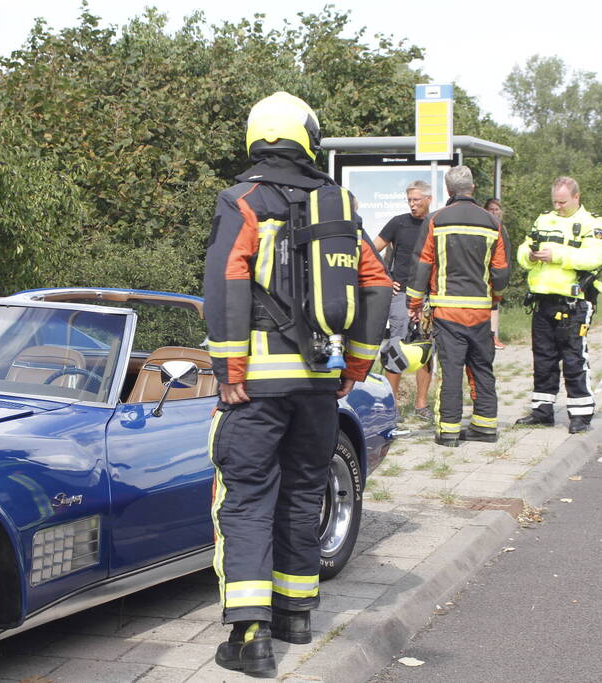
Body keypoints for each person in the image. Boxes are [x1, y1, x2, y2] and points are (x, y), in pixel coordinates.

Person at [203, 92, 391, 677]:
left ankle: (250, 637)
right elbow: (377, 283)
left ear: (255, 136)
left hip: (257, 386)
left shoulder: (242, 199)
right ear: (308, 137)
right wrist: (355, 367)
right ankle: (296, 615)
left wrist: (229, 370)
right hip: (319, 383)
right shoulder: (336, 203)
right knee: (305, 493)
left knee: (246, 500)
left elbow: (227, 279)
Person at [407, 165, 509, 447]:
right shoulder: (493, 223)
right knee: (481, 367)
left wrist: (414, 302)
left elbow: (422, 263)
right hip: (480, 311)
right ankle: (485, 426)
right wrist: (495, 299)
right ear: (472, 188)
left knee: (451, 370)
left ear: (448, 190)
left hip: (447, 311)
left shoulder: (436, 220)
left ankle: (449, 431)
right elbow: (501, 271)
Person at [515, 176, 602, 434]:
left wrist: (557, 256)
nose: (557, 207)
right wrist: (530, 256)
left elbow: (594, 257)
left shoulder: (592, 223)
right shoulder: (543, 219)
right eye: (555, 202)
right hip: (542, 300)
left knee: (574, 358)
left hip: (574, 303)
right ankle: (542, 411)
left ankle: (581, 415)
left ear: (576, 197)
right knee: (543, 358)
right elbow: (523, 250)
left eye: (563, 202)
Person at [373, 180, 434, 426]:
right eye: (409, 200)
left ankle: (421, 405)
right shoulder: (398, 223)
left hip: (429, 296)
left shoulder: (436, 223)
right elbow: (371, 250)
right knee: (396, 348)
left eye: (416, 200)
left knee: (426, 349)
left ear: (428, 199)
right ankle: (392, 406)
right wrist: (386, 278)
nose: (412, 204)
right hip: (401, 295)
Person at [484, 198, 511, 349]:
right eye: (491, 209)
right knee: (490, 305)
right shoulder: (487, 227)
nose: (494, 212)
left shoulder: (502, 228)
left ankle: (493, 336)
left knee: (495, 305)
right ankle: (489, 336)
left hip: (501, 271)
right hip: (489, 272)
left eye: (497, 209)